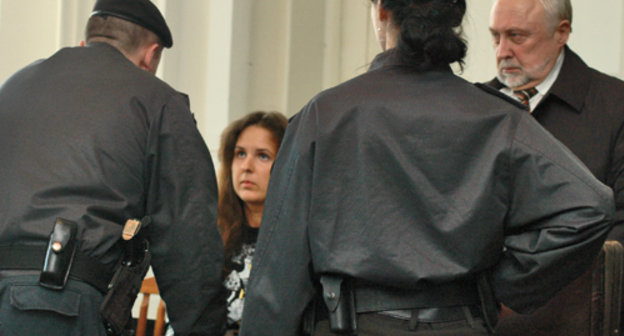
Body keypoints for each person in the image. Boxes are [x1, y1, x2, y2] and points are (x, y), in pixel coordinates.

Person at [238, 0, 614, 335]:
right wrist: (503, 286)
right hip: (461, 321)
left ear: (382, 11)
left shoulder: (326, 115)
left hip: (351, 322)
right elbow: (590, 206)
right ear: (454, 19)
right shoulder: (498, 118)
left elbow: (278, 276)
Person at [0, 0, 225, 335]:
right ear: (151, 56)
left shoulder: (14, 86)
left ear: (85, 42)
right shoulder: (157, 100)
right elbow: (190, 243)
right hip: (55, 307)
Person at [486, 0, 624, 334]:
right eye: (495, 37)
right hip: (485, 318)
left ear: (561, 32)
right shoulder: (477, 108)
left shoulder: (615, 106)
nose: (502, 51)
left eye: (517, 36)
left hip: (578, 316)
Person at [217, 111, 287, 333]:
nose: (246, 166)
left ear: (287, 165)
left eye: (263, 156)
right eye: (240, 154)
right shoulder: (211, 231)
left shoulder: (300, 239)